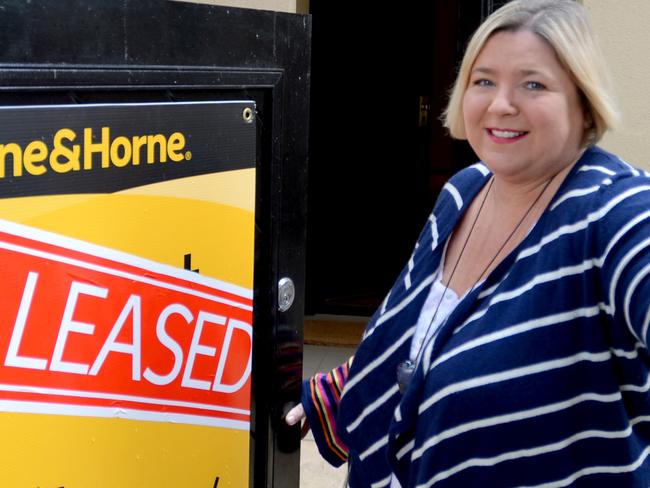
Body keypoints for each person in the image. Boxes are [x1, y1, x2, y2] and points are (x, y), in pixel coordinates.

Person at [287, 0, 650, 486]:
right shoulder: (465, 190)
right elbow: (422, 329)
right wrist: (339, 392)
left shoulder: (617, 215)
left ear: (583, 100)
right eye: (484, 81)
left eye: (533, 83)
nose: (501, 103)